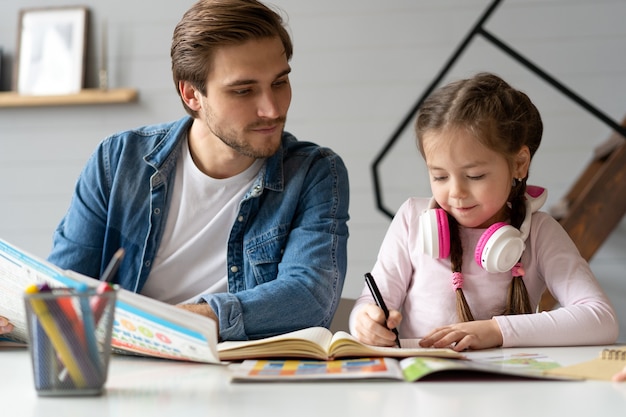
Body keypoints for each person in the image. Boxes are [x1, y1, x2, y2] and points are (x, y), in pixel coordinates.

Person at [1, 0, 350, 342]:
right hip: (128, 376)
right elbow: (63, 290)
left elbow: (308, 298)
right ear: (192, 94)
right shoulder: (118, 161)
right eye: (243, 90)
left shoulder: (314, 173)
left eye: (279, 82)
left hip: (242, 379)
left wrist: (172, 322)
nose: (272, 109)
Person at [349, 72, 618, 352]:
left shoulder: (540, 233)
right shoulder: (410, 220)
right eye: (440, 177)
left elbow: (601, 318)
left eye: (475, 176)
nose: (456, 193)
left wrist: (495, 330)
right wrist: (365, 320)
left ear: (519, 164)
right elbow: (372, 301)